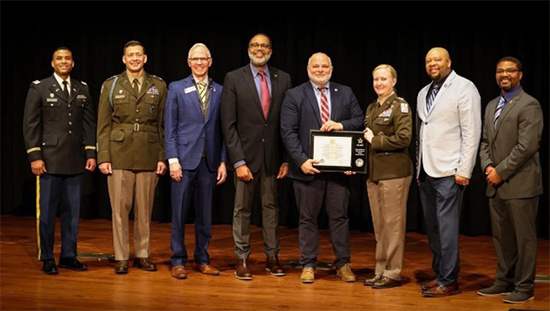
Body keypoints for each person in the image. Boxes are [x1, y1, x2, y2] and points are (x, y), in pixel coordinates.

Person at [280, 52, 364, 284]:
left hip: (338, 171)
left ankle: (343, 264)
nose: (319, 69)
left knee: (339, 217)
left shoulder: (345, 92)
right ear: (308, 69)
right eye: (315, 66)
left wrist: (341, 124)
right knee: (307, 218)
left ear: (331, 68)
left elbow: (359, 119)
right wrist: (301, 161)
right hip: (307, 169)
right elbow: (288, 132)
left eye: (324, 66)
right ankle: (308, 264)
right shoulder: (294, 94)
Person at [221, 33, 292, 280]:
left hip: (272, 159)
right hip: (245, 159)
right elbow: (228, 125)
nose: (259, 49)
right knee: (242, 210)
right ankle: (242, 259)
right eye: (254, 45)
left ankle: (272, 258)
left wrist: (286, 159)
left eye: (264, 45)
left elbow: (286, 123)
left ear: (271, 50)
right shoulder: (233, 78)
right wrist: (238, 161)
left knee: (271, 208)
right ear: (248, 49)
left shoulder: (283, 78)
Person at [23, 47, 96, 274]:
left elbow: (88, 123)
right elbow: (31, 124)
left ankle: (68, 255)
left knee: (72, 213)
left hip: (75, 160)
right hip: (49, 160)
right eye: (59, 58)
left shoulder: (81, 88)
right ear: (52, 63)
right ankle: (47, 257)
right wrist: (35, 156)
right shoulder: (39, 87)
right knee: (46, 212)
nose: (63, 62)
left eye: (67, 58)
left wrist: (91, 153)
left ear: (72, 63)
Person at [97, 40, 167, 274]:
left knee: (144, 210)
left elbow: (161, 125)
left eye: (139, 55)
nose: (135, 58)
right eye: (130, 55)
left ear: (145, 58)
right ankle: (121, 257)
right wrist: (103, 157)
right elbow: (103, 126)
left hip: (148, 152)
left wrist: (162, 156)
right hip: (119, 154)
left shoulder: (157, 85)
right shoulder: (112, 85)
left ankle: (142, 255)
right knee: (119, 209)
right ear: (124, 59)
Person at [416, 47, 481, 297]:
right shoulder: (424, 92)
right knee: (433, 229)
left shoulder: (465, 87)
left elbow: (471, 131)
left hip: (449, 171)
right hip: (427, 172)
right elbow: (424, 132)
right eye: (429, 60)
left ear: (449, 62)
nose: (433, 63)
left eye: (438, 60)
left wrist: (464, 169)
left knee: (447, 229)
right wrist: (418, 168)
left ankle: (449, 280)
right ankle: (439, 274)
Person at [478, 57, 543, 304]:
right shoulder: (492, 104)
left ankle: (525, 287)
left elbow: (526, 147)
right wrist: (487, 166)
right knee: (502, 237)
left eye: (510, 71)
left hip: (520, 183)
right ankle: (503, 281)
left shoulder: (529, 105)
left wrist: (500, 171)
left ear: (520, 75)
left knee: (524, 239)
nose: (504, 74)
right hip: (495, 183)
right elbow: (485, 142)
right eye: (500, 71)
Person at [164, 43, 227, 280]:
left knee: (205, 214)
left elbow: (222, 131)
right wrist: (172, 160)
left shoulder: (220, 90)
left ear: (210, 62)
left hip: (209, 162)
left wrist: (222, 161)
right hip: (183, 160)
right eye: (195, 59)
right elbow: (169, 127)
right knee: (179, 213)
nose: (199, 63)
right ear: (189, 62)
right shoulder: (177, 88)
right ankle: (178, 260)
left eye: (204, 59)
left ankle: (202, 258)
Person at [362, 64, 413, 289]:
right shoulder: (373, 107)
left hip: (394, 173)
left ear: (394, 81)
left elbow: (404, 138)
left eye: (383, 79)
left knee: (393, 225)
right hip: (374, 173)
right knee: (380, 225)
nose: (379, 83)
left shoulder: (400, 106)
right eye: (376, 79)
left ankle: (393, 273)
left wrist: (376, 140)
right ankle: (380, 269)